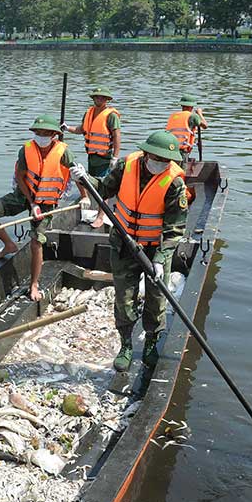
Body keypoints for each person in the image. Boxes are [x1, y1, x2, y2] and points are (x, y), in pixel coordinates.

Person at [70, 130, 188, 371]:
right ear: (146, 154)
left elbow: (175, 228)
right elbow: (103, 189)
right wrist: (84, 179)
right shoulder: (126, 166)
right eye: (157, 158)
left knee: (156, 300)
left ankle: (150, 344)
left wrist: (161, 257)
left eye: (166, 161)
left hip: (156, 249)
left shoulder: (174, 182)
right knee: (124, 299)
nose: (161, 164)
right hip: (124, 245)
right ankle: (125, 344)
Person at [0, 114, 87, 302]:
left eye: (45, 133)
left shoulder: (63, 152)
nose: (41, 136)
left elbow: (76, 175)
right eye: (38, 132)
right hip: (25, 195)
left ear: (53, 134)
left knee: (36, 242)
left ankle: (34, 284)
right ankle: (8, 245)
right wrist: (31, 202)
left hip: (47, 202)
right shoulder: (26, 150)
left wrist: (84, 197)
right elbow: (20, 176)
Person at [61, 87, 121, 229]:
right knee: (79, 175)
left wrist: (115, 157)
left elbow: (117, 136)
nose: (99, 100)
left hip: (105, 157)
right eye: (97, 97)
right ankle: (85, 197)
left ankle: (101, 216)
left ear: (107, 100)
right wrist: (67, 128)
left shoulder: (111, 116)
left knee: (103, 187)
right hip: (92, 156)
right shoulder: (89, 112)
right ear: (93, 99)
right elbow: (82, 129)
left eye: (102, 98)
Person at [165, 93, 208, 164]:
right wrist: (200, 113)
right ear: (192, 106)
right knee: (181, 172)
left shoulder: (173, 116)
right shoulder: (193, 116)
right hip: (182, 151)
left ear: (182, 105)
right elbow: (205, 125)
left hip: (168, 149)